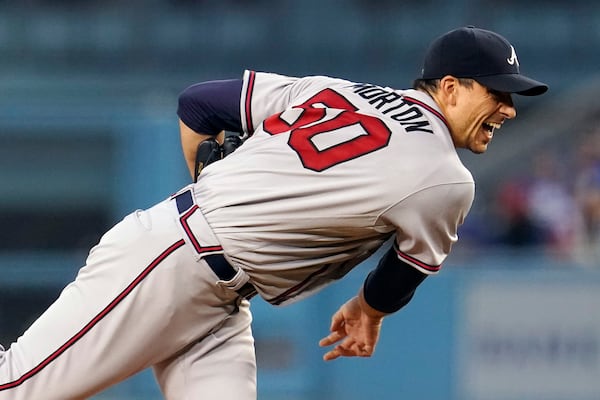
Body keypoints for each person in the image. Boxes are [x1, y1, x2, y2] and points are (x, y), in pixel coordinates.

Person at [0, 26, 548, 400]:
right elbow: (401, 275)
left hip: (217, 296)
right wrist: (368, 311)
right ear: (449, 88)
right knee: (18, 387)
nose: (508, 107)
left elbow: (200, 102)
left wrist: (215, 182)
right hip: (174, 260)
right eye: (497, 91)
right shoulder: (446, 177)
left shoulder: (337, 89)